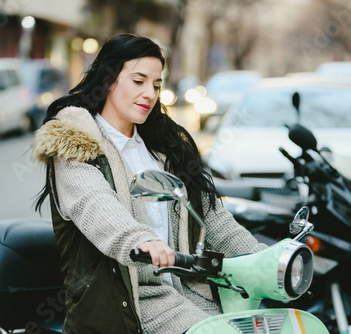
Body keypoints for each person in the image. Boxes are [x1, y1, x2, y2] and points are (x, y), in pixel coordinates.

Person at [32, 33, 265, 334]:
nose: (150, 94)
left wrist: (264, 260)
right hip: (128, 303)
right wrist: (141, 240)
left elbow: (211, 218)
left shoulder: (164, 149)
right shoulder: (76, 144)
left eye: (156, 85)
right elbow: (96, 204)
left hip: (187, 291)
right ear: (109, 79)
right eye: (138, 81)